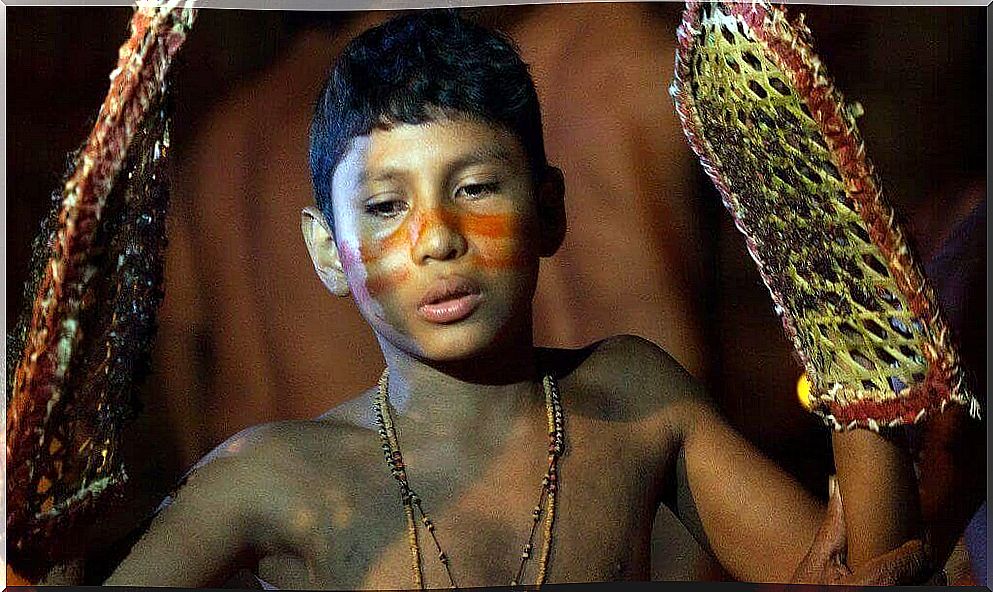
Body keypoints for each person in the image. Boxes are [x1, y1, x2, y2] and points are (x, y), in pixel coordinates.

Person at [97, 10, 933, 588]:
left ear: (548, 210)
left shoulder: (634, 400)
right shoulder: (271, 477)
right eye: (386, 208)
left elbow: (862, 568)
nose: (436, 237)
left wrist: (852, 333)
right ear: (327, 249)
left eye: (475, 187)